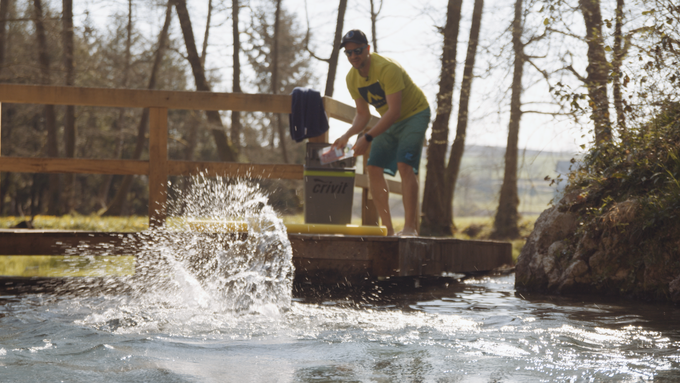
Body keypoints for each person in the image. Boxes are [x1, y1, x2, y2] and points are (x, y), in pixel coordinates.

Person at [332, 29, 430, 236]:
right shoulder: (351, 79)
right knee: (373, 167)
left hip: (414, 114)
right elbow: (362, 115)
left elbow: (394, 111)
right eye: (348, 53)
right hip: (389, 119)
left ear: (367, 49)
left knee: (405, 165)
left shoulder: (387, 69)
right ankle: (388, 230)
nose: (353, 56)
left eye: (357, 50)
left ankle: (410, 229)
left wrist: (367, 137)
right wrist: (346, 136)